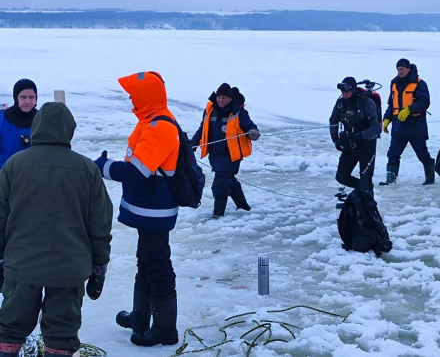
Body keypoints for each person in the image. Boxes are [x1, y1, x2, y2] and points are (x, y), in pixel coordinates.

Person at [0, 102, 113, 357]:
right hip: (69, 268)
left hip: (21, 265)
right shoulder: (87, 169)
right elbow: (100, 224)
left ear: (37, 127)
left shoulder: (14, 165)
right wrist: (99, 269)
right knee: (61, 333)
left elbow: (0, 217)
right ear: (69, 130)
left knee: (9, 329)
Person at [94, 71, 180, 347]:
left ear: (146, 96)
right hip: (149, 209)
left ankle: (165, 329)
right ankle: (141, 317)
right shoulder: (150, 121)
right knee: (146, 262)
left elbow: (138, 170)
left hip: (155, 211)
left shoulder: (159, 126)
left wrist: (103, 168)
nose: (131, 98)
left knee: (157, 265)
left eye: (134, 94)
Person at [191, 83, 260, 219]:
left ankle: (218, 215)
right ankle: (243, 206)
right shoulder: (210, 110)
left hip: (231, 155)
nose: (221, 100)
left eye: (224, 98)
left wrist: (253, 132)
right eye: (219, 97)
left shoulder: (238, 112)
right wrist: (193, 143)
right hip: (215, 154)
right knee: (229, 180)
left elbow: (249, 126)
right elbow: (202, 129)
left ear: (230, 99)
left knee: (220, 184)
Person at [380, 59, 434, 186]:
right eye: (398, 69)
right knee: (393, 154)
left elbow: (424, 102)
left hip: (416, 127)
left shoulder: (420, 84)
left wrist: (410, 109)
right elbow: (391, 104)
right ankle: (390, 181)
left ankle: (430, 179)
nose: (400, 72)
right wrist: (387, 118)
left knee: (423, 155)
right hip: (399, 127)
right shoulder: (394, 83)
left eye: (402, 69)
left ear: (409, 69)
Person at [330, 77, 381, 193]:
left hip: (367, 144)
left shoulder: (367, 103)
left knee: (366, 179)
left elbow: (377, 128)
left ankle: (367, 199)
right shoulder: (341, 103)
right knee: (341, 177)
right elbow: (333, 121)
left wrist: (359, 136)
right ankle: (364, 190)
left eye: (346, 92)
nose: (344, 94)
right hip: (350, 143)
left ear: (353, 90)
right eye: (342, 92)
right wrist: (335, 138)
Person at [0, 79, 38, 169]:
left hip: (33, 176)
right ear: (16, 98)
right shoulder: (2, 120)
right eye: (23, 97)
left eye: (31, 97)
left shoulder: (43, 120)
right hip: (4, 176)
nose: (27, 101)